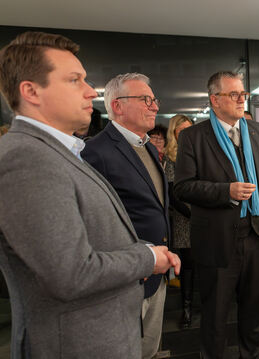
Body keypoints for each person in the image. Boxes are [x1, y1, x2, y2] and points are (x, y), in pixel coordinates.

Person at [0, 31, 180, 359]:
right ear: (31, 91)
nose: (89, 91)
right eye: (74, 80)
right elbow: (70, 273)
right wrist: (149, 256)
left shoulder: (57, 152)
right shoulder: (26, 158)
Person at [174, 71, 259, 359]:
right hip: (218, 239)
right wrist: (226, 192)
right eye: (233, 94)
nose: (241, 99)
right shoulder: (193, 136)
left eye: (243, 94)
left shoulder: (257, 131)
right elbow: (183, 188)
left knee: (254, 311)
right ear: (215, 100)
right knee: (215, 313)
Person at [81, 73, 172, 359]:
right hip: (128, 277)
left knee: (149, 348)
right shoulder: (94, 151)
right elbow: (91, 223)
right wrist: (135, 261)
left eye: (154, 100)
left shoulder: (147, 147)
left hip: (157, 269)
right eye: (145, 100)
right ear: (117, 106)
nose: (154, 107)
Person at [164, 114, 194, 328]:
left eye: (189, 129)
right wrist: (193, 214)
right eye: (181, 130)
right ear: (174, 133)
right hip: (185, 219)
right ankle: (187, 309)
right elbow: (172, 194)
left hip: (204, 215)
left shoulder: (200, 152)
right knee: (188, 267)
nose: (185, 134)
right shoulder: (170, 157)